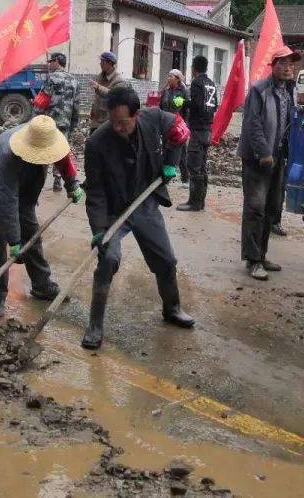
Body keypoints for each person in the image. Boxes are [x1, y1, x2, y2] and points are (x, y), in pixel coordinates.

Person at [81, 86, 194, 349]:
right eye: (113, 122)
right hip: (112, 210)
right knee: (107, 259)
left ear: (137, 114)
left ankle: (172, 308)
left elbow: (179, 130)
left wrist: (170, 161)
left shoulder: (153, 119)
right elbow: (95, 191)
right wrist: (99, 230)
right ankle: (95, 325)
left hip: (144, 202)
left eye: (123, 123)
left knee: (166, 259)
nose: (118, 128)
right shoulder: (97, 142)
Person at [0, 115, 85, 318]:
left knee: (32, 231)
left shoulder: (47, 135)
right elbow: (7, 199)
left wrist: (72, 183)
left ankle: (41, 284)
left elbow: (63, 158)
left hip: (24, 188)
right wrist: (14, 240)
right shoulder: (8, 151)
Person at [237, 45, 301, 281]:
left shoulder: (289, 90)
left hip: (278, 158)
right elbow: (252, 124)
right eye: (282, 63)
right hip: (258, 158)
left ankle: (261, 255)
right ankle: (253, 260)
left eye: (291, 63)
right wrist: (263, 152)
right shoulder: (259, 90)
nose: (288, 67)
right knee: (255, 208)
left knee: (271, 209)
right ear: (272, 66)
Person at [178, 55, 218, 212]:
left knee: (194, 165)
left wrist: (183, 103)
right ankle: (201, 202)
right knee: (201, 166)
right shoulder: (211, 84)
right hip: (208, 129)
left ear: (194, 68)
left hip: (198, 129)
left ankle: (194, 202)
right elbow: (215, 106)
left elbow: (196, 104)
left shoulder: (196, 83)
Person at [36, 52, 80, 192]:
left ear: (57, 62)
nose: (49, 64)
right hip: (65, 122)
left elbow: (43, 99)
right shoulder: (74, 80)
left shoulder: (51, 78)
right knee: (60, 151)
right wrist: (73, 124)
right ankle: (57, 181)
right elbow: (76, 105)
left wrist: (36, 116)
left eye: (51, 62)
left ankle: (39, 181)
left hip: (50, 121)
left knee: (45, 149)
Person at [159, 69, 191, 184]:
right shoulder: (166, 91)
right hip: (166, 126)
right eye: (168, 76)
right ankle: (165, 178)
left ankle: (185, 179)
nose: (168, 78)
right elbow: (161, 107)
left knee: (182, 154)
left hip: (178, 127)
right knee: (165, 151)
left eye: (171, 76)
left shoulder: (184, 91)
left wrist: (186, 126)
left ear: (177, 79)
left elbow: (187, 110)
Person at [89, 51, 127, 129]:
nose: (100, 64)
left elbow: (114, 95)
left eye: (102, 62)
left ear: (109, 63)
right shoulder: (100, 76)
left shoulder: (119, 80)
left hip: (107, 121)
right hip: (96, 120)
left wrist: (98, 87)